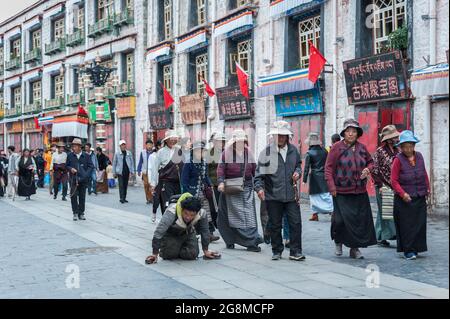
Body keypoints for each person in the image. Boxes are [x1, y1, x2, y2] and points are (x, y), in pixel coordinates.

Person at [325, 118, 377, 259]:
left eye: (353, 131)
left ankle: (354, 249)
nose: (351, 134)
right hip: (340, 191)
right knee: (340, 220)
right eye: (348, 131)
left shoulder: (362, 148)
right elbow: (328, 169)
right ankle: (338, 241)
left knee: (357, 221)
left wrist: (368, 169)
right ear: (344, 133)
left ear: (357, 133)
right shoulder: (337, 147)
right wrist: (331, 187)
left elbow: (371, 162)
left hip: (359, 191)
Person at [254, 121, 304, 261]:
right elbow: (258, 176)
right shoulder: (266, 153)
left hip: (291, 195)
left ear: (287, 137)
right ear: (273, 136)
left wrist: (298, 173)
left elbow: (298, 165)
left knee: (295, 223)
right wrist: (259, 188)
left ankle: (295, 251)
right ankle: (277, 250)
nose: (280, 138)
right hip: (273, 194)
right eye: (278, 135)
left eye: (283, 135)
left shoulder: (293, 150)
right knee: (275, 224)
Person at [217, 129, 262, 253]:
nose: (241, 143)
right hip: (230, 189)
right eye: (238, 141)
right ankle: (230, 239)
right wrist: (221, 182)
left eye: (242, 141)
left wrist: (258, 187)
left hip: (246, 187)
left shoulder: (249, 153)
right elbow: (221, 169)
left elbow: (255, 170)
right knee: (229, 216)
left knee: (248, 216)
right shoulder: (226, 153)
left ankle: (252, 241)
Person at [145, 194, 221, 264]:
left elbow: (205, 231)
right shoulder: (171, 212)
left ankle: (179, 247)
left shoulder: (202, 213)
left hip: (188, 233)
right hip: (171, 234)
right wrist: (154, 254)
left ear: (197, 213)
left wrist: (206, 250)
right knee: (169, 255)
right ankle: (171, 248)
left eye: (192, 215)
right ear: (181, 209)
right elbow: (158, 233)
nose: (188, 217)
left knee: (192, 254)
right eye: (186, 213)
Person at [391, 130, 430, 260]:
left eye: (411, 145)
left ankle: (416, 248)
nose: (408, 149)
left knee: (419, 224)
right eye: (405, 146)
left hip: (419, 196)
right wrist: (403, 194)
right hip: (404, 199)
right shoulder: (398, 160)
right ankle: (408, 250)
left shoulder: (419, 156)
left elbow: (424, 173)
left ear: (414, 146)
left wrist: (428, 189)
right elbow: (394, 181)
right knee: (407, 225)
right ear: (401, 147)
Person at [181, 141, 220, 242]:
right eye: (198, 151)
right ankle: (191, 234)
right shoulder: (188, 164)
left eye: (202, 151)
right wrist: (188, 193)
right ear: (193, 152)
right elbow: (184, 181)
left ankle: (209, 234)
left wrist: (209, 183)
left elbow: (205, 175)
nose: (200, 153)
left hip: (203, 192)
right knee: (193, 214)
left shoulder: (204, 163)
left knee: (206, 213)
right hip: (192, 192)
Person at [370, 125, 400, 247]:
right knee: (386, 211)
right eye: (394, 137)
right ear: (388, 139)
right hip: (383, 185)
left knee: (385, 211)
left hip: (394, 185)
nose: (397, 138)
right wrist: (380, 185)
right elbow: (375, 169)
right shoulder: (379, 151)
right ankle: (388, 235)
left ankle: (379, 236)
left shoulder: (398, 151)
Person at [151, 130, 184, 214]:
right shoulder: (161, 152)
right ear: (166, 140)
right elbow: (155, 168)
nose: (173, 140)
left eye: (174, 139)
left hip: (177, 182)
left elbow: (182, 166)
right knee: (167, 203)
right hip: (166, 182)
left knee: (178, 202)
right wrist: (153, 183)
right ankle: (166, 221)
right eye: (171, 139)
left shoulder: (179, 150)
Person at [302, 132, 333, 222]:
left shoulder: (309, 153)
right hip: (324, 175)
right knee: (326, 195)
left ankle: (315, 214)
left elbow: (307, 167)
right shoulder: (325, 151)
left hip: (315, 177)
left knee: (314, 196)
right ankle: (332, 212)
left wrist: (304, 180)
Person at [205, 132, 227, 239]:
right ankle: (215, 224)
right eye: (219, 141)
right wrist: (208, 183)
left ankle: (223, 225)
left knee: (224, 206)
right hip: (213, 183)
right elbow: (207, 170)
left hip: (225, 183)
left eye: (223, 141)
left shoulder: (227, 153)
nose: (221, 143)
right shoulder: (209, 153)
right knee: (214, 206)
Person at [66, 138, 94, 221]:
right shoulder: (70, 155)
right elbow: (67, 165)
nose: (73, 148)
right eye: (73, 146)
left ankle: (81, 213)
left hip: (83, 180)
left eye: (75, 146)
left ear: (79, 147)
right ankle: (75, 213)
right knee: (73, 196)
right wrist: (71, 169)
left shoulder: (86, 156)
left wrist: (86, 174)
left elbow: (91, 166)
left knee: (82, 197)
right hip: (73, 179)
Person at [137, 139, 155, 204]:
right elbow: (140, 162)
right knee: (146, 185)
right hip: (145, 172)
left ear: (152, 145)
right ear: (146, 145)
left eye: (150, 145)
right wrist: (138, 170)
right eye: (148, 145)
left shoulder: (154, 152)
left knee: (152, 185)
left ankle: (152, 198)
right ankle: (148, 199)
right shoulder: (143, 152)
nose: (149, 146)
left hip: (152, 172)